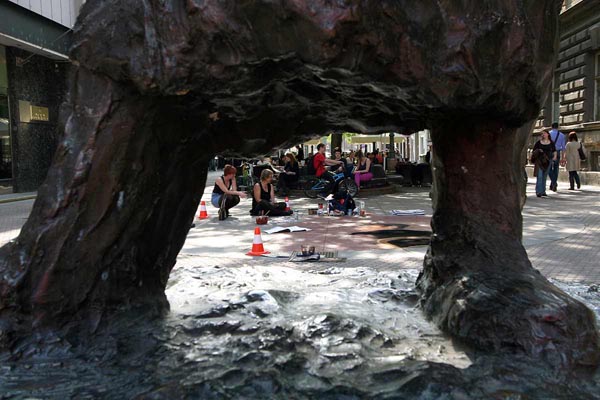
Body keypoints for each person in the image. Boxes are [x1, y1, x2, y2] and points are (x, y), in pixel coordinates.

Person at [531, 130, 556, 198]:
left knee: (544, 176)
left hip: (548, 161)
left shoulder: (551, 143)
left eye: (544, 133)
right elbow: (534, 151)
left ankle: (543, 191)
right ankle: (538, 191)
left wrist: (554, 157)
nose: (543, 134)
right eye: (542, 133)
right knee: (539, 176)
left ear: (548, 134)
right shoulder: (538, 143)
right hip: (540, 161)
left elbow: (554, 151)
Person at [548, 122, 566, 192]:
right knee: (556, 168)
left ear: (551, 127)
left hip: (549, 152)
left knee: (549, 168)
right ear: (558, 127)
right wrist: (563, 157)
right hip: (557, 152)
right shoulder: (562, 135)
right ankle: (553, 183)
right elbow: (563, 147)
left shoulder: (548, 134)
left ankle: (553, 182)